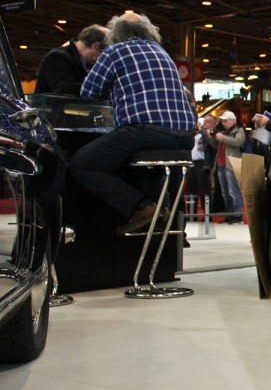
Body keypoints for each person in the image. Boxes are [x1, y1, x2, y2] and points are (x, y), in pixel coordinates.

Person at [69, 13, 196, 235]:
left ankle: (142, 208)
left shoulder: (115, 51)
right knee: (148, 165)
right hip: (184, 135)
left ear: (116, 34)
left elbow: (88, 92)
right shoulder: (161, 52)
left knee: (81, 164)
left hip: (145, 130)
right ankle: (162, 210)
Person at [35, 24, 108, 95]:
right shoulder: (57, 57)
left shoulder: (88, 63)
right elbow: (65, 89)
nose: (103, 59)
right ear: (96, 46)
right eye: (104, 54)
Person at [213, 110, 245, 224]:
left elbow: (238, 142)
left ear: (232, 120)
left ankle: (237, 216)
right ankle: (230, 215)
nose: (223, 123)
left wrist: (221, 137)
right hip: (221, 164)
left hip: (231, 164)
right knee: (225, 193)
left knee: (233, 191)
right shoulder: (223, 132)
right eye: (222, 121)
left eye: (225, 121)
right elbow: (213, 145)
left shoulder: (239, 130)